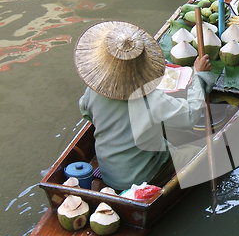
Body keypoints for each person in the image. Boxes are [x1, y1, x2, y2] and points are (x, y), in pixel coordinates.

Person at [74, 20, 216, 191]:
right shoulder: (152, 98)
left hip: (108, 172)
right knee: (197, 150)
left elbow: (86, 113)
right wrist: (199, 76)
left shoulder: (94, 90)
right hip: (141, 177)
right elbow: (191, 115)